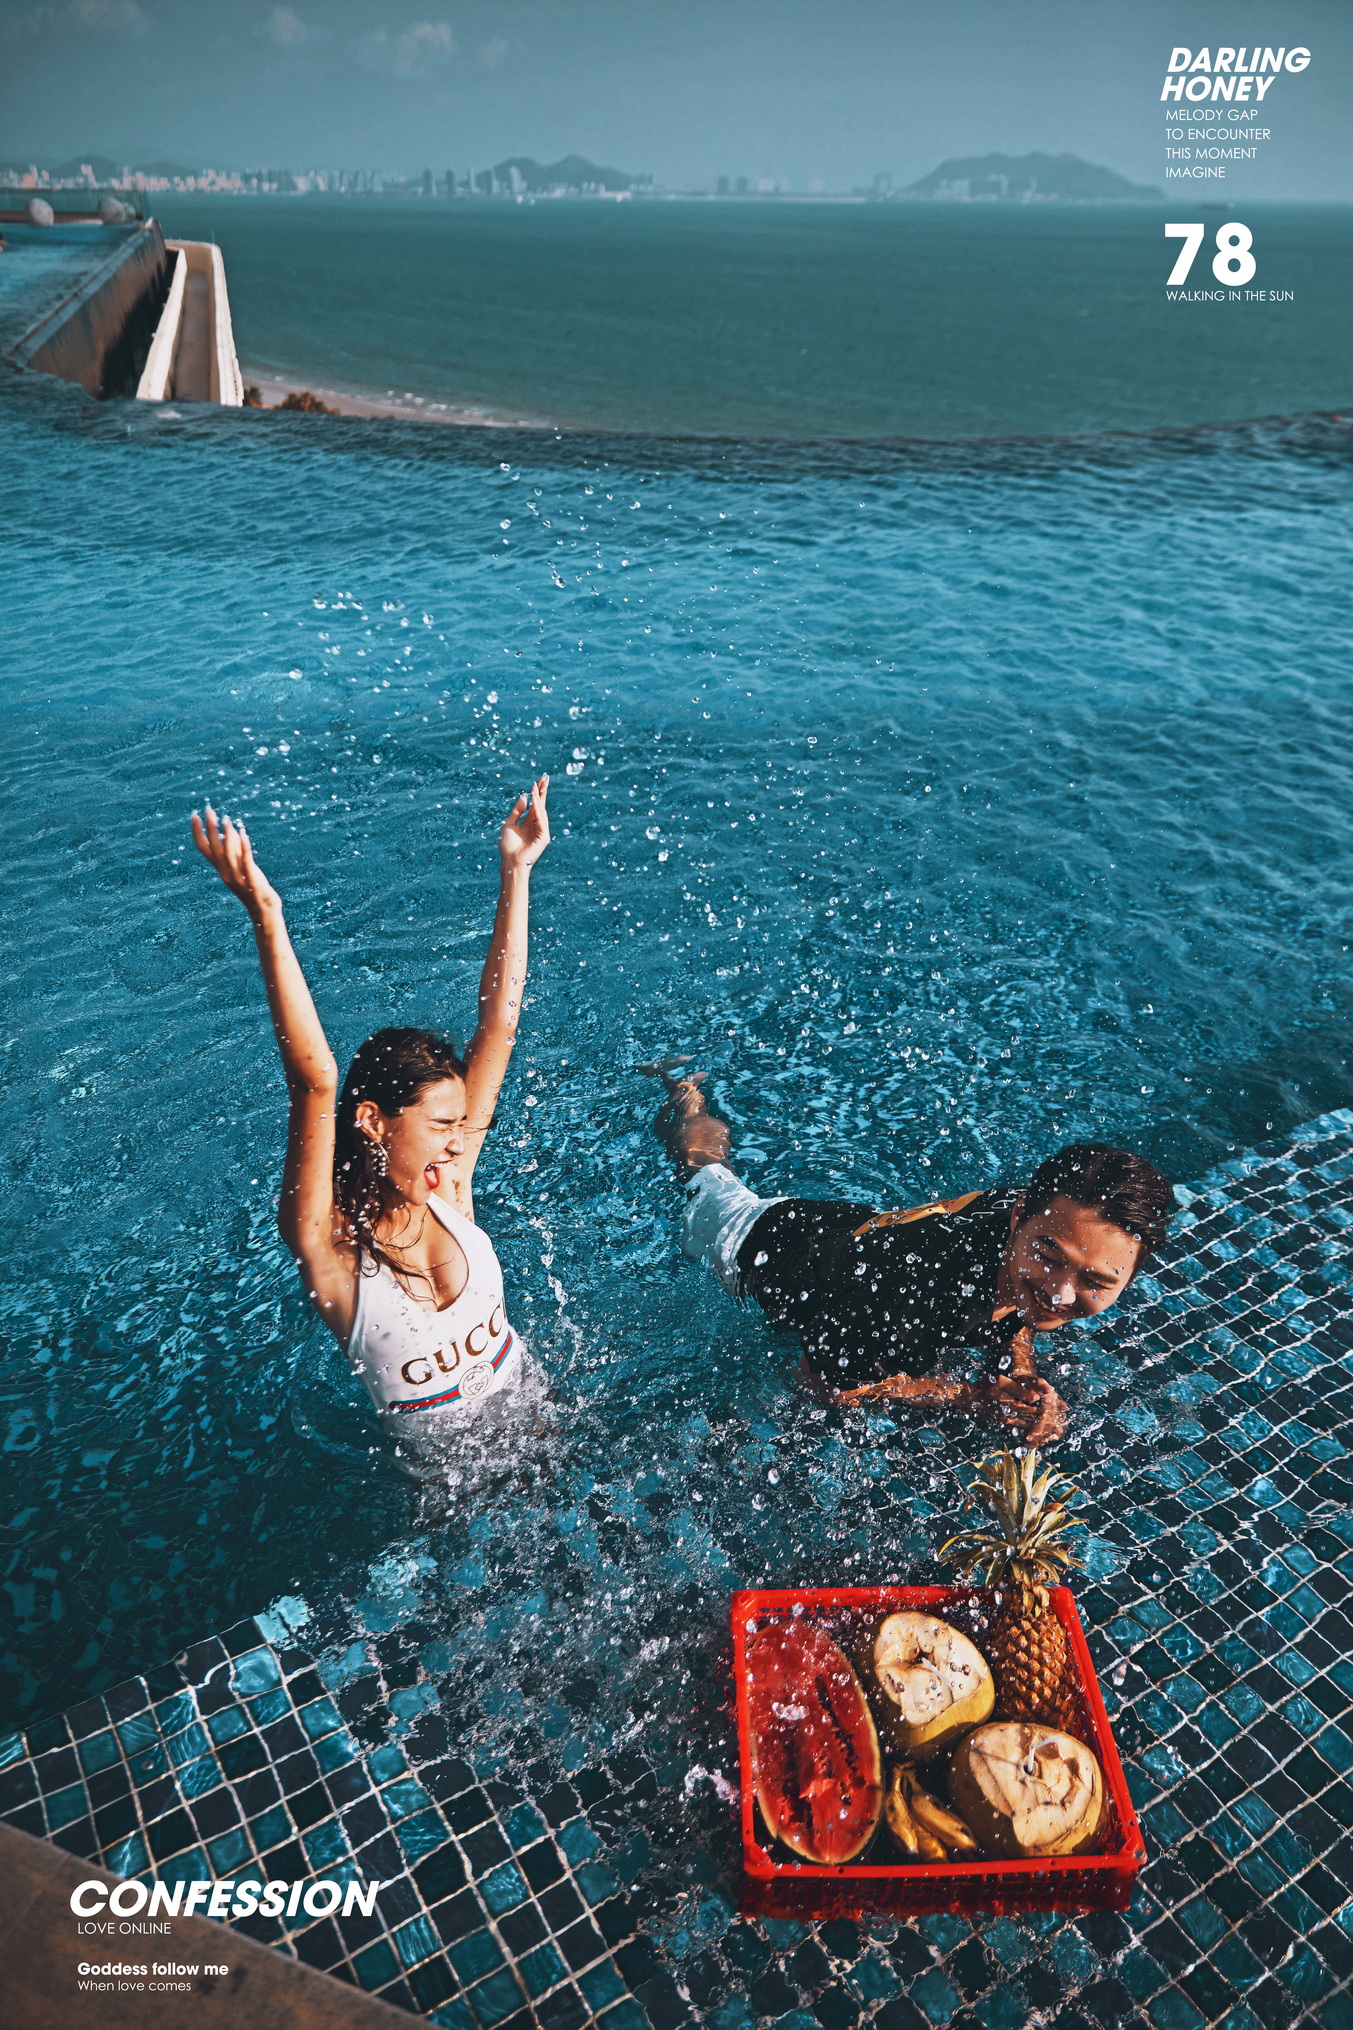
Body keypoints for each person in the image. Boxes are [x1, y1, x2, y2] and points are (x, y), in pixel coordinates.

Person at [192, 778, 550, 1451]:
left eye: (459, 1125)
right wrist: (266, 913)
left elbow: (499, 1027)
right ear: (373, 1120)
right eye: (440, 1126)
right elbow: (314, 1081)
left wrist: (517, 870)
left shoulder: (450, 1188)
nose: (458, 1144)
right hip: (459, 1497)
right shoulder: (330, 1249)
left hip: (552, 1430)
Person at [646, 1062, 1173, 1444]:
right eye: (1050, 1257)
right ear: (1018, 1219)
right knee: (705, 1176)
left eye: (1096, 1281)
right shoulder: (911, 1291)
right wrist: (968, 1399)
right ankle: (682, 1090)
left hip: (843, 1235)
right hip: (750, 1241)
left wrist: (1015, 1372)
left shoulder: (1043, 1217)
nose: (1059, 1292)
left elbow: (1021, 1305)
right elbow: (818, 1383)